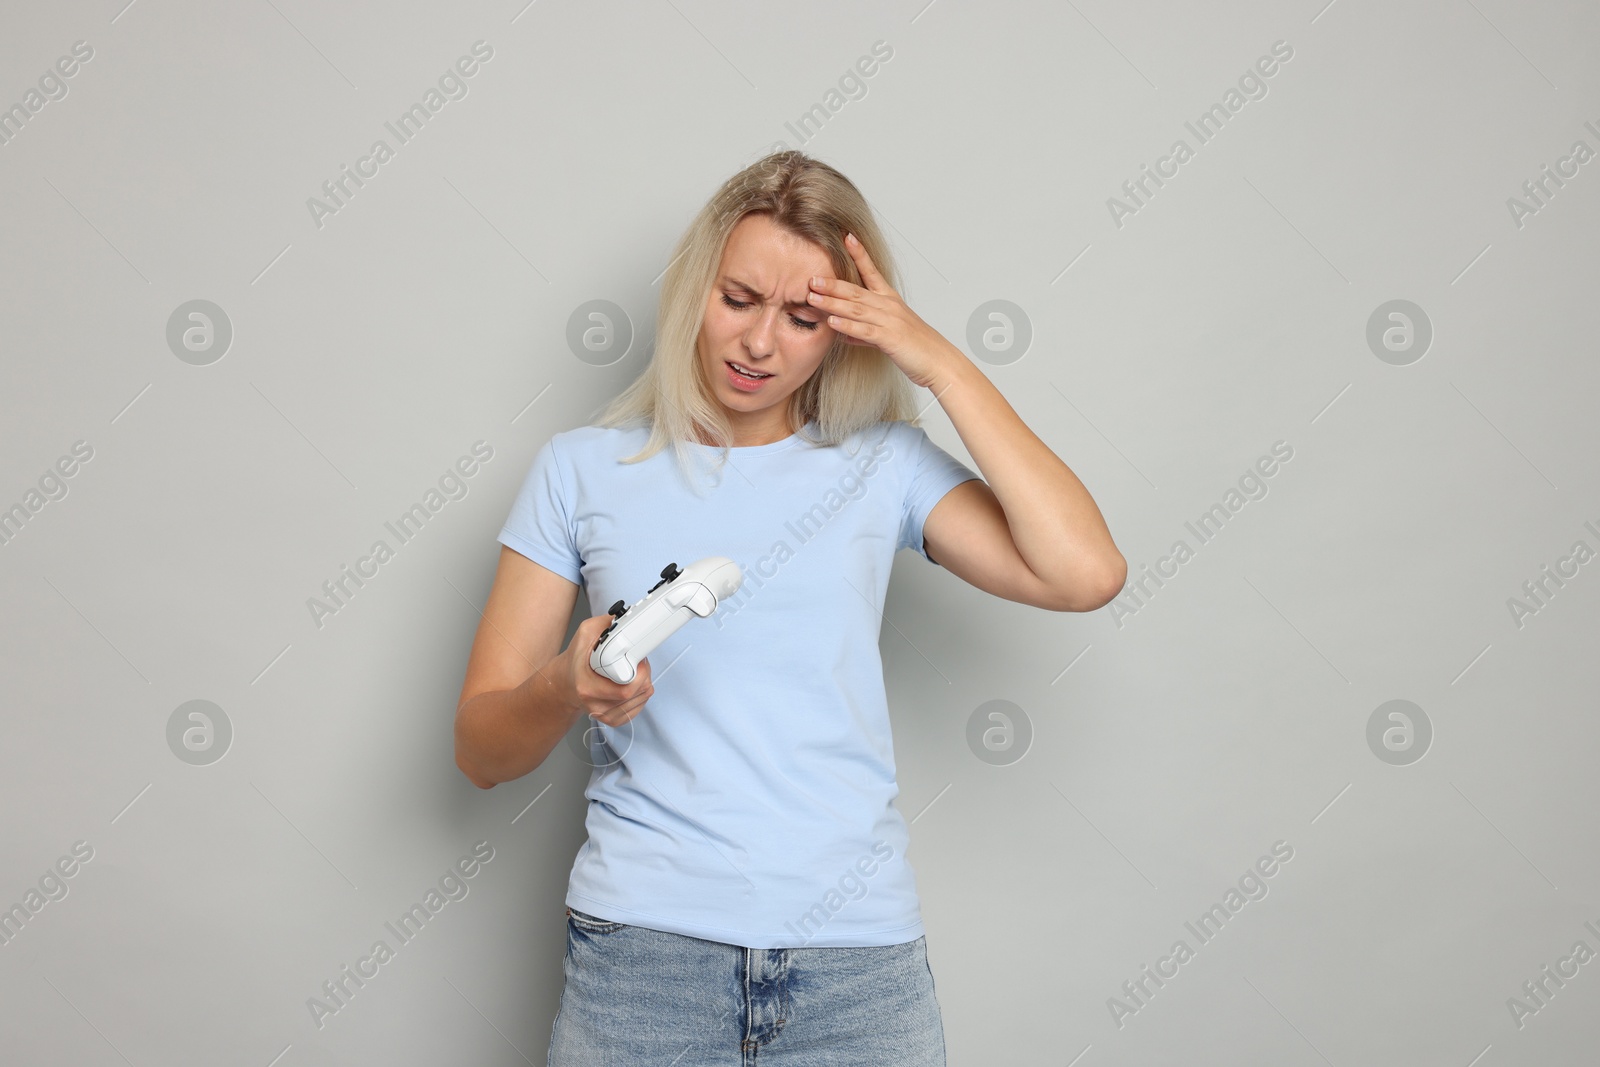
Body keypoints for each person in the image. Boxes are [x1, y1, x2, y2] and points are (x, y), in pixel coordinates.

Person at [453, 150, 1125, 1065]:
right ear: (695, 290)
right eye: (738, 299)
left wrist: (936, 361)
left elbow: (1085, 572)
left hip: (857, 971)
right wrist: (566, 686)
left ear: (844, 330)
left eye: (804, 316)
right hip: (643, 961)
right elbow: (483, 750)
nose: (759, 343)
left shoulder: (883, 464)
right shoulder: (579, 470)